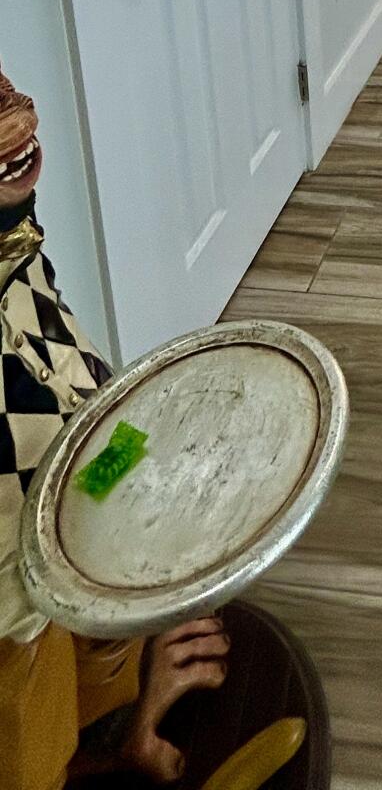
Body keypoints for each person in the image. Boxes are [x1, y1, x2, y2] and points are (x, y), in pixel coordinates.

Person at [0, 66, 229, 787]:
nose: (16, 103)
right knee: (30, 735)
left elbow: (93, 413)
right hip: (15, 606)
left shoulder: (16, 244)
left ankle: (118, 708)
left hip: (77, 527)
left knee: (114, 483)